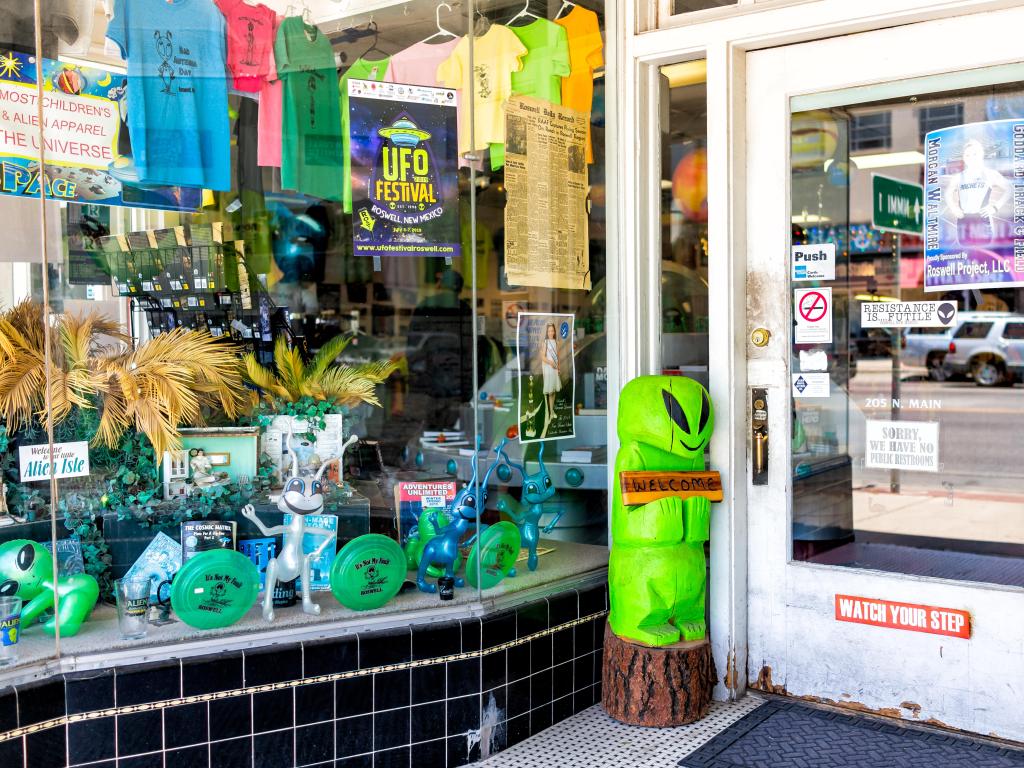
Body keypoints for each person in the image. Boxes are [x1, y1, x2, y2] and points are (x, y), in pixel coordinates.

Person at [946, 138, 1011, 246]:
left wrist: (995, 207)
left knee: (985, 255)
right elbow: (948, 193)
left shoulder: (989, 174)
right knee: (967, 256)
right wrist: (954, 209)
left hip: (982, 221)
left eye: (974, 154)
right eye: (967, 155)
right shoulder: (959, 177)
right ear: (963, 157)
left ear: (981, 154)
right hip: (964, 221)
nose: (971, 158)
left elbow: (1009, 189)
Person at [540, 322, 561, 438]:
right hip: (548, 368)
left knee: (553, 390)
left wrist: (558, 367)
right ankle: (549, 412)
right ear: (546, 333)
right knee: (549, 391)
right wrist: (551, 363)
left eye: (552, 331)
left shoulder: (556, 342)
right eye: (549, 331)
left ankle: (552, 412)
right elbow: (542, 357)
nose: (551, 333)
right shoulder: (545, 343)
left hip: (554, 369)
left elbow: (558, 356)